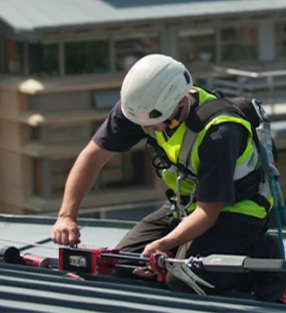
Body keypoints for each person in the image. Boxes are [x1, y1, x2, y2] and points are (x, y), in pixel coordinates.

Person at [50, 54, 273, 295]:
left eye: (152, 123)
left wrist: (163, 245)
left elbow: (208, 213)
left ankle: (257, 271)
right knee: (120, 265)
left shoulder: (219, 133)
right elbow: (92, 158)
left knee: (185, 281)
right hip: (185, 206)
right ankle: (177, 257)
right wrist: (66, 216)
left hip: (237, 212)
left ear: (178, 104)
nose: (144, 129)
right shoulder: (142, 108)